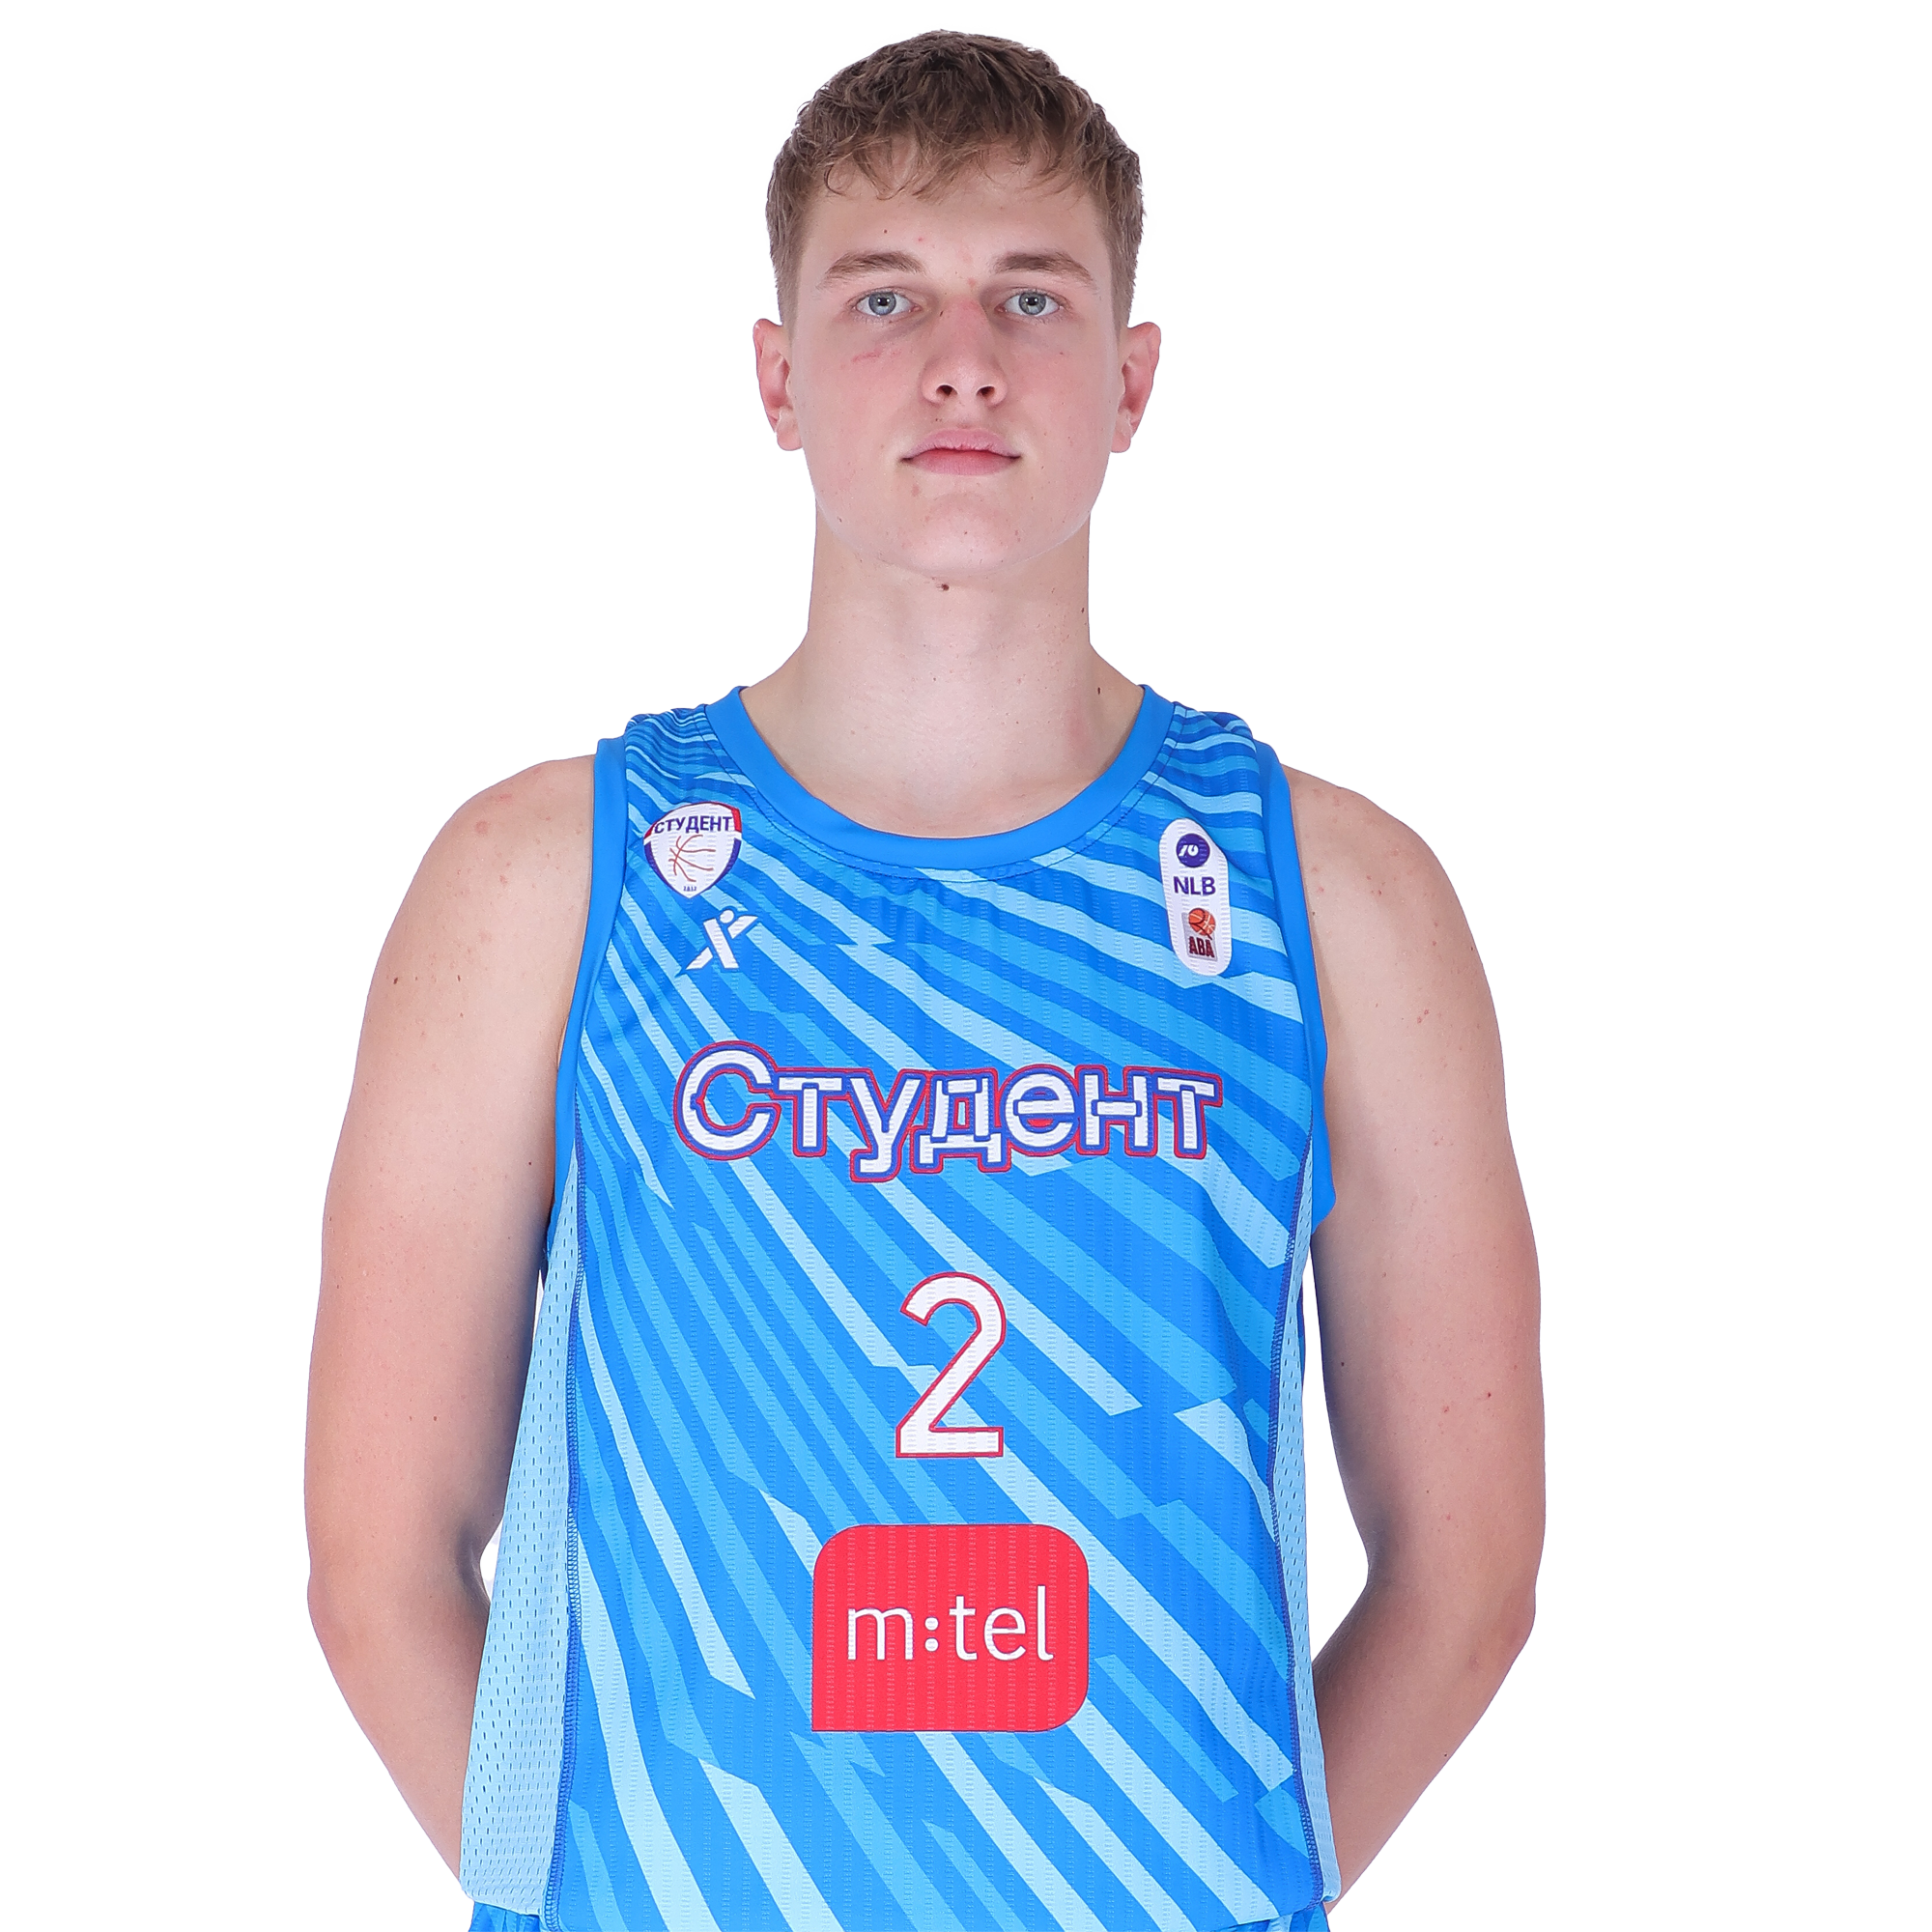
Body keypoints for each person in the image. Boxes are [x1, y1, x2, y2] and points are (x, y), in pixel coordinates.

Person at [307, 30, 1543, 1932]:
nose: (963, 360)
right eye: (884, 296)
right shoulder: (542, 880)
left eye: (1030, 296)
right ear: (777, 378)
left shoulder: (1336, 896)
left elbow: (1469, 1572)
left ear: (1131, 383)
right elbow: (377, 1560)